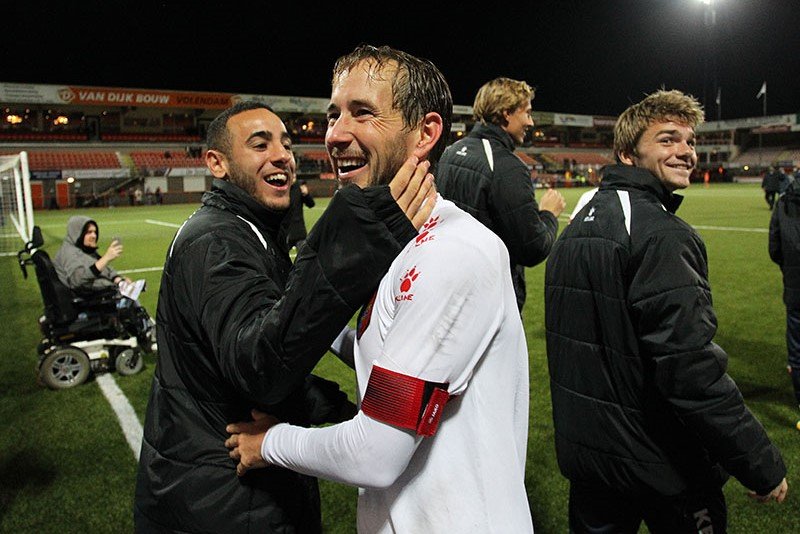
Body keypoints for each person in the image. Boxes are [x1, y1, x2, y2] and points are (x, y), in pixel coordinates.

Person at [225, 45, 533, 533]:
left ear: (426, 133)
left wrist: (268, 444)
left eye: (362, 113)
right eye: (333, 114)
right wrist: (307, 321)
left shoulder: (455, 252)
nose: (335, 134)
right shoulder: (399, 239)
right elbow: (386, 349)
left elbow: (375, 453)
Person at [133, 100, 436, 533]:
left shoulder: (244, 229)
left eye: (286, 144)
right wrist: (353, 241)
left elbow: (229, 359)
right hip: (226, 501)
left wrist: (309, 399)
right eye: (260, 145)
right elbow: (259, 365)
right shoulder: (218, 241)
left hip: (214, 491)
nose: (282, 156)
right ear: (216, 163)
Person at [544, 89, 788, 533]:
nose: (686, 152)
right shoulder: (662, 234)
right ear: (627, 152)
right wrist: (758, 460)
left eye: (690, 142)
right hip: (663, 466)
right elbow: (690, 369)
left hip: (591, 464)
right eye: (668, 139)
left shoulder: (579, 223)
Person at [436, 76, 566, 311]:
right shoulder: (506, 166)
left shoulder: (449, 153)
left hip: (445, 287)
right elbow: (533, 248)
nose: (531, 122)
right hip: (489, 299)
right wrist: (549, 214)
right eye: (526, 112)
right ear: (507, 113)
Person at [53, 215, 153, 348]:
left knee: (130, 292)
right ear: (78, 232)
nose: (93, 236)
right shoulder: (71, 255)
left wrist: (119, 280)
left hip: (91, 292)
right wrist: (106, 258)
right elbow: (77, 280)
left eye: (94, 232)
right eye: (88, 232)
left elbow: (103, 269)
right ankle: (146, 334)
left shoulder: (81, 250)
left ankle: (146, 330)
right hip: (85, 298)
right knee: (129, 299)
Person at [769, 178, 800, 430]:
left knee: (798, 352)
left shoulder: (784, 201)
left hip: (795, 287)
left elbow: (774, 248)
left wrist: (790, 271)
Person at [285, 178, 316, 250]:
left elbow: (311, 204)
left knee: (303, 257)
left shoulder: (299, 187)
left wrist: (306, 194)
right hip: (285, 232)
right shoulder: (282, 189)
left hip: (299, 231)